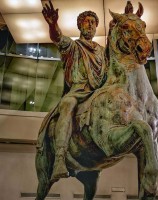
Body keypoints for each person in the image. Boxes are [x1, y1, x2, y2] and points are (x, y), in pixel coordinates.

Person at [42, 1, 107, 182]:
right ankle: (60, 159)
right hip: (78, 92)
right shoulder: (73, 46)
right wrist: (52, 24)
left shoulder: (103, 52)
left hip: (98, 94)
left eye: (94, 23)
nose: (91, 25)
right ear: (79, 25)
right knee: (68, 103)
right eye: (87, 22)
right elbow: (58, 38)